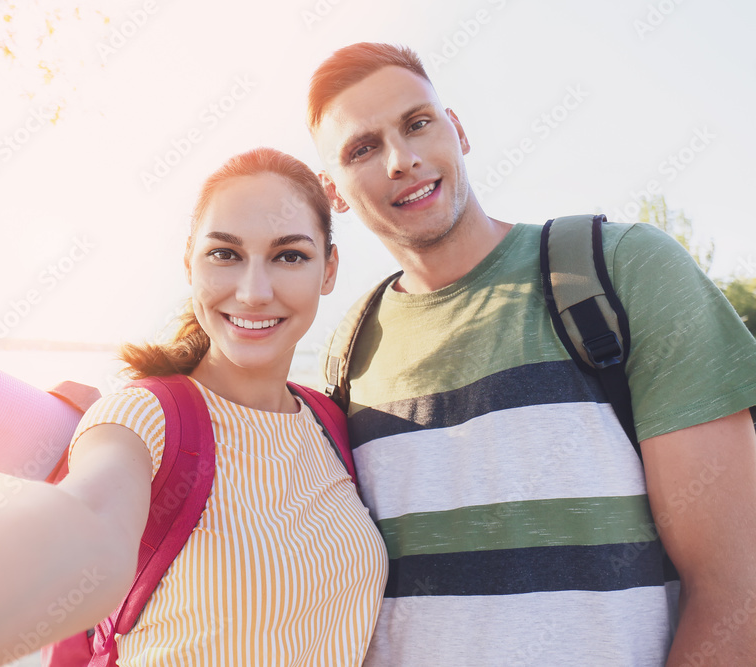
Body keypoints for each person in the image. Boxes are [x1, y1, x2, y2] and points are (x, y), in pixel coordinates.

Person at [0, 147, 387, 667]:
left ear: (329, 269)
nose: (254, 290)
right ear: (190, 266)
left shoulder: (334, 425)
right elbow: (86, 531)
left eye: (290, 255)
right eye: (224, 253)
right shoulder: (142, 418)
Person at [305, 42, 756, 666]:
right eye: (363, 149)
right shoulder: (347, 352)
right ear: (334, 193)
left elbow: (737, 590)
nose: (401, 160)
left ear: (456, 129)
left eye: (417, 124)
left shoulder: (625, 270)